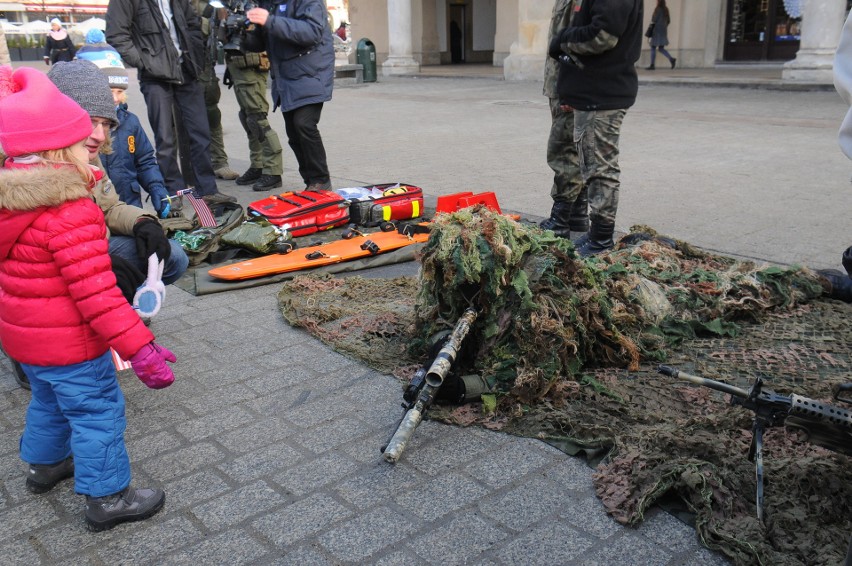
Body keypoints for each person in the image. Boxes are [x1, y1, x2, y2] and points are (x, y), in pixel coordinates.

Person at [0, 65, 175, 531]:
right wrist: (142, 348)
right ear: (57, 149)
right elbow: (99, 298)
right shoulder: (70, 208)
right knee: (97, 410)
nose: (94, 151)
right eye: (84, 143)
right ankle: (109, 497)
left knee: (48, 402)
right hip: (71, 344)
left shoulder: (11, 198)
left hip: (29, 343)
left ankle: (44, 466)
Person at [47, 60, 189, 292]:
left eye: (106, 124)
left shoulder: (88, 155)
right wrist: (97, 264)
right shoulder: (31, 167)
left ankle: (119, 301)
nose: (100, 136)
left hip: (94, 245)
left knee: (172, 256)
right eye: (90, 122)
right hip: (55, 268)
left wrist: (143, 221)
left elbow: (109, 207)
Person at [105, 0, 237, 205]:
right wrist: (145, 63)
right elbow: (116, 34)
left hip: (187, 71)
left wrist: (196, 55)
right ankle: (174, 191)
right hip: (155, 76)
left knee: (201, 134)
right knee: (165, 139)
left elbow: (193, 25)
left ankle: (207, 189)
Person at [548, 0, 643, 256]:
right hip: (592, 93)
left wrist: (562, 39)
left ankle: (601, 239)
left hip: (601, 95)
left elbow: (602, 36)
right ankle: (595, 234)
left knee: (600, 169)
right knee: (592, 166)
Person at [246, 0, 335, 192]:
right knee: (294, 134)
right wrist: (246, 31)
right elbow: (260, 42)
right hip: (286, 78)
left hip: (310, 72)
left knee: (304, 124)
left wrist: (270, 20)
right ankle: (311, 182)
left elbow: (311, 32)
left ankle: (321, 181)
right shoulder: (270, 3)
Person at [540, 0, 588, 240]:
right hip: (559, 84)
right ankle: (577, 213)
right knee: (573, 147)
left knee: (564, 150)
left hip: (567, 85)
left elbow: (579, 41)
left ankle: (560, 220)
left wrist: (571, 86)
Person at [190, 0, 240, 182]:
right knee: (179, 121)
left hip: (205, 67)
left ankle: (219, 162)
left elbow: (222, 34)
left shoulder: (215, 5)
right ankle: (189, 168)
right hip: (182, 66)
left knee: (212, 115)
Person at [224, 49, 285, 191]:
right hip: (237, 63)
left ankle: (273, 170)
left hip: (250, 65)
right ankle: (258, 165)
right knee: (247, 118)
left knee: (257, 119)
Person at [645, 0, 676, 70]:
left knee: (653, 47)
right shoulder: (666, 9)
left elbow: (654, 19)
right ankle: (671, 59)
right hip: (663, 31)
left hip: (656, 31)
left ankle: (652, 65)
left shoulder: (657, 9)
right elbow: (668, 21)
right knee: (661, 48)